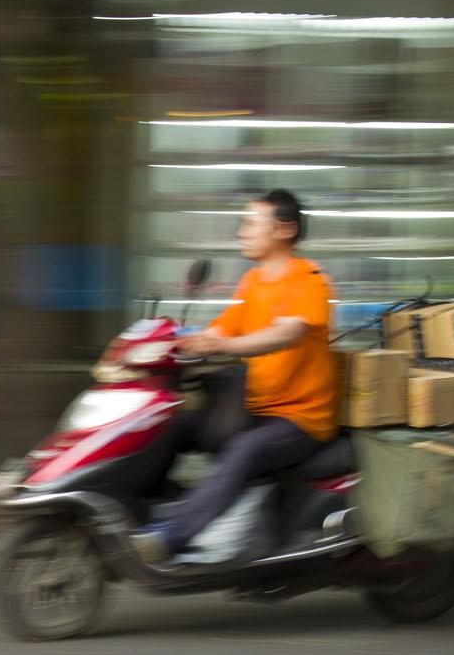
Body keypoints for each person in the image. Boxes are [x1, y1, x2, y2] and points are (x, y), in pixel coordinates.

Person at [134, 189, 338, 566]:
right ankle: (134, 508)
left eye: (250, 223)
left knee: (244, 450)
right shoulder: (253, 281)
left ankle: (169, 538)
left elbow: (285, 333)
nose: (242, 232)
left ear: (285, 229)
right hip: (254, 406)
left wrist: (226, 347)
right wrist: (179, 342)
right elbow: (224, 331)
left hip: (300, 419)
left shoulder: (310, 280)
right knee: (170, 421)